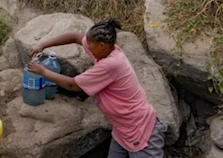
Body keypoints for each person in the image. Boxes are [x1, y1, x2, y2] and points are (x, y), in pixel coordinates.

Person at [27, 20, 168, 158]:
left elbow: (73, 85)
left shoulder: (111, 64)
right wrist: (43, 44)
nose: (87, 47)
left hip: (140, 131)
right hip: (122, 130)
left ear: (101, 46)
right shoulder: (106, 50)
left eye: (90, 45)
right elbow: (75, 36)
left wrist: (43, 72)